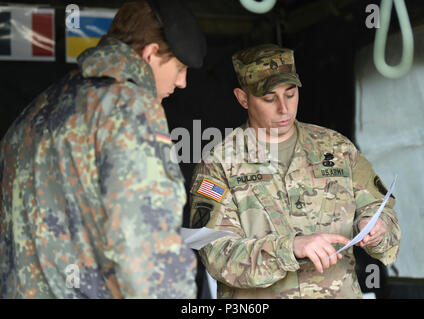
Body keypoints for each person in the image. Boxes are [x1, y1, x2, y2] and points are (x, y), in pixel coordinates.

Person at [0, 0, 206, 298]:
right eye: (179, 67)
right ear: (150, 54)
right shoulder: (129, 107)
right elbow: (148, 254)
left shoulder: (37, 109)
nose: (182, 81)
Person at [189, 44, 401, 298]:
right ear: (242, 98)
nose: (284, 108)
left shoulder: (337, 149)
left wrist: (375, 229)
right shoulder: (219, 164)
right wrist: (289, 248)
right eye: (269, 98)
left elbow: (381, 211)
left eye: (290, 94)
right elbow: (214, 251)